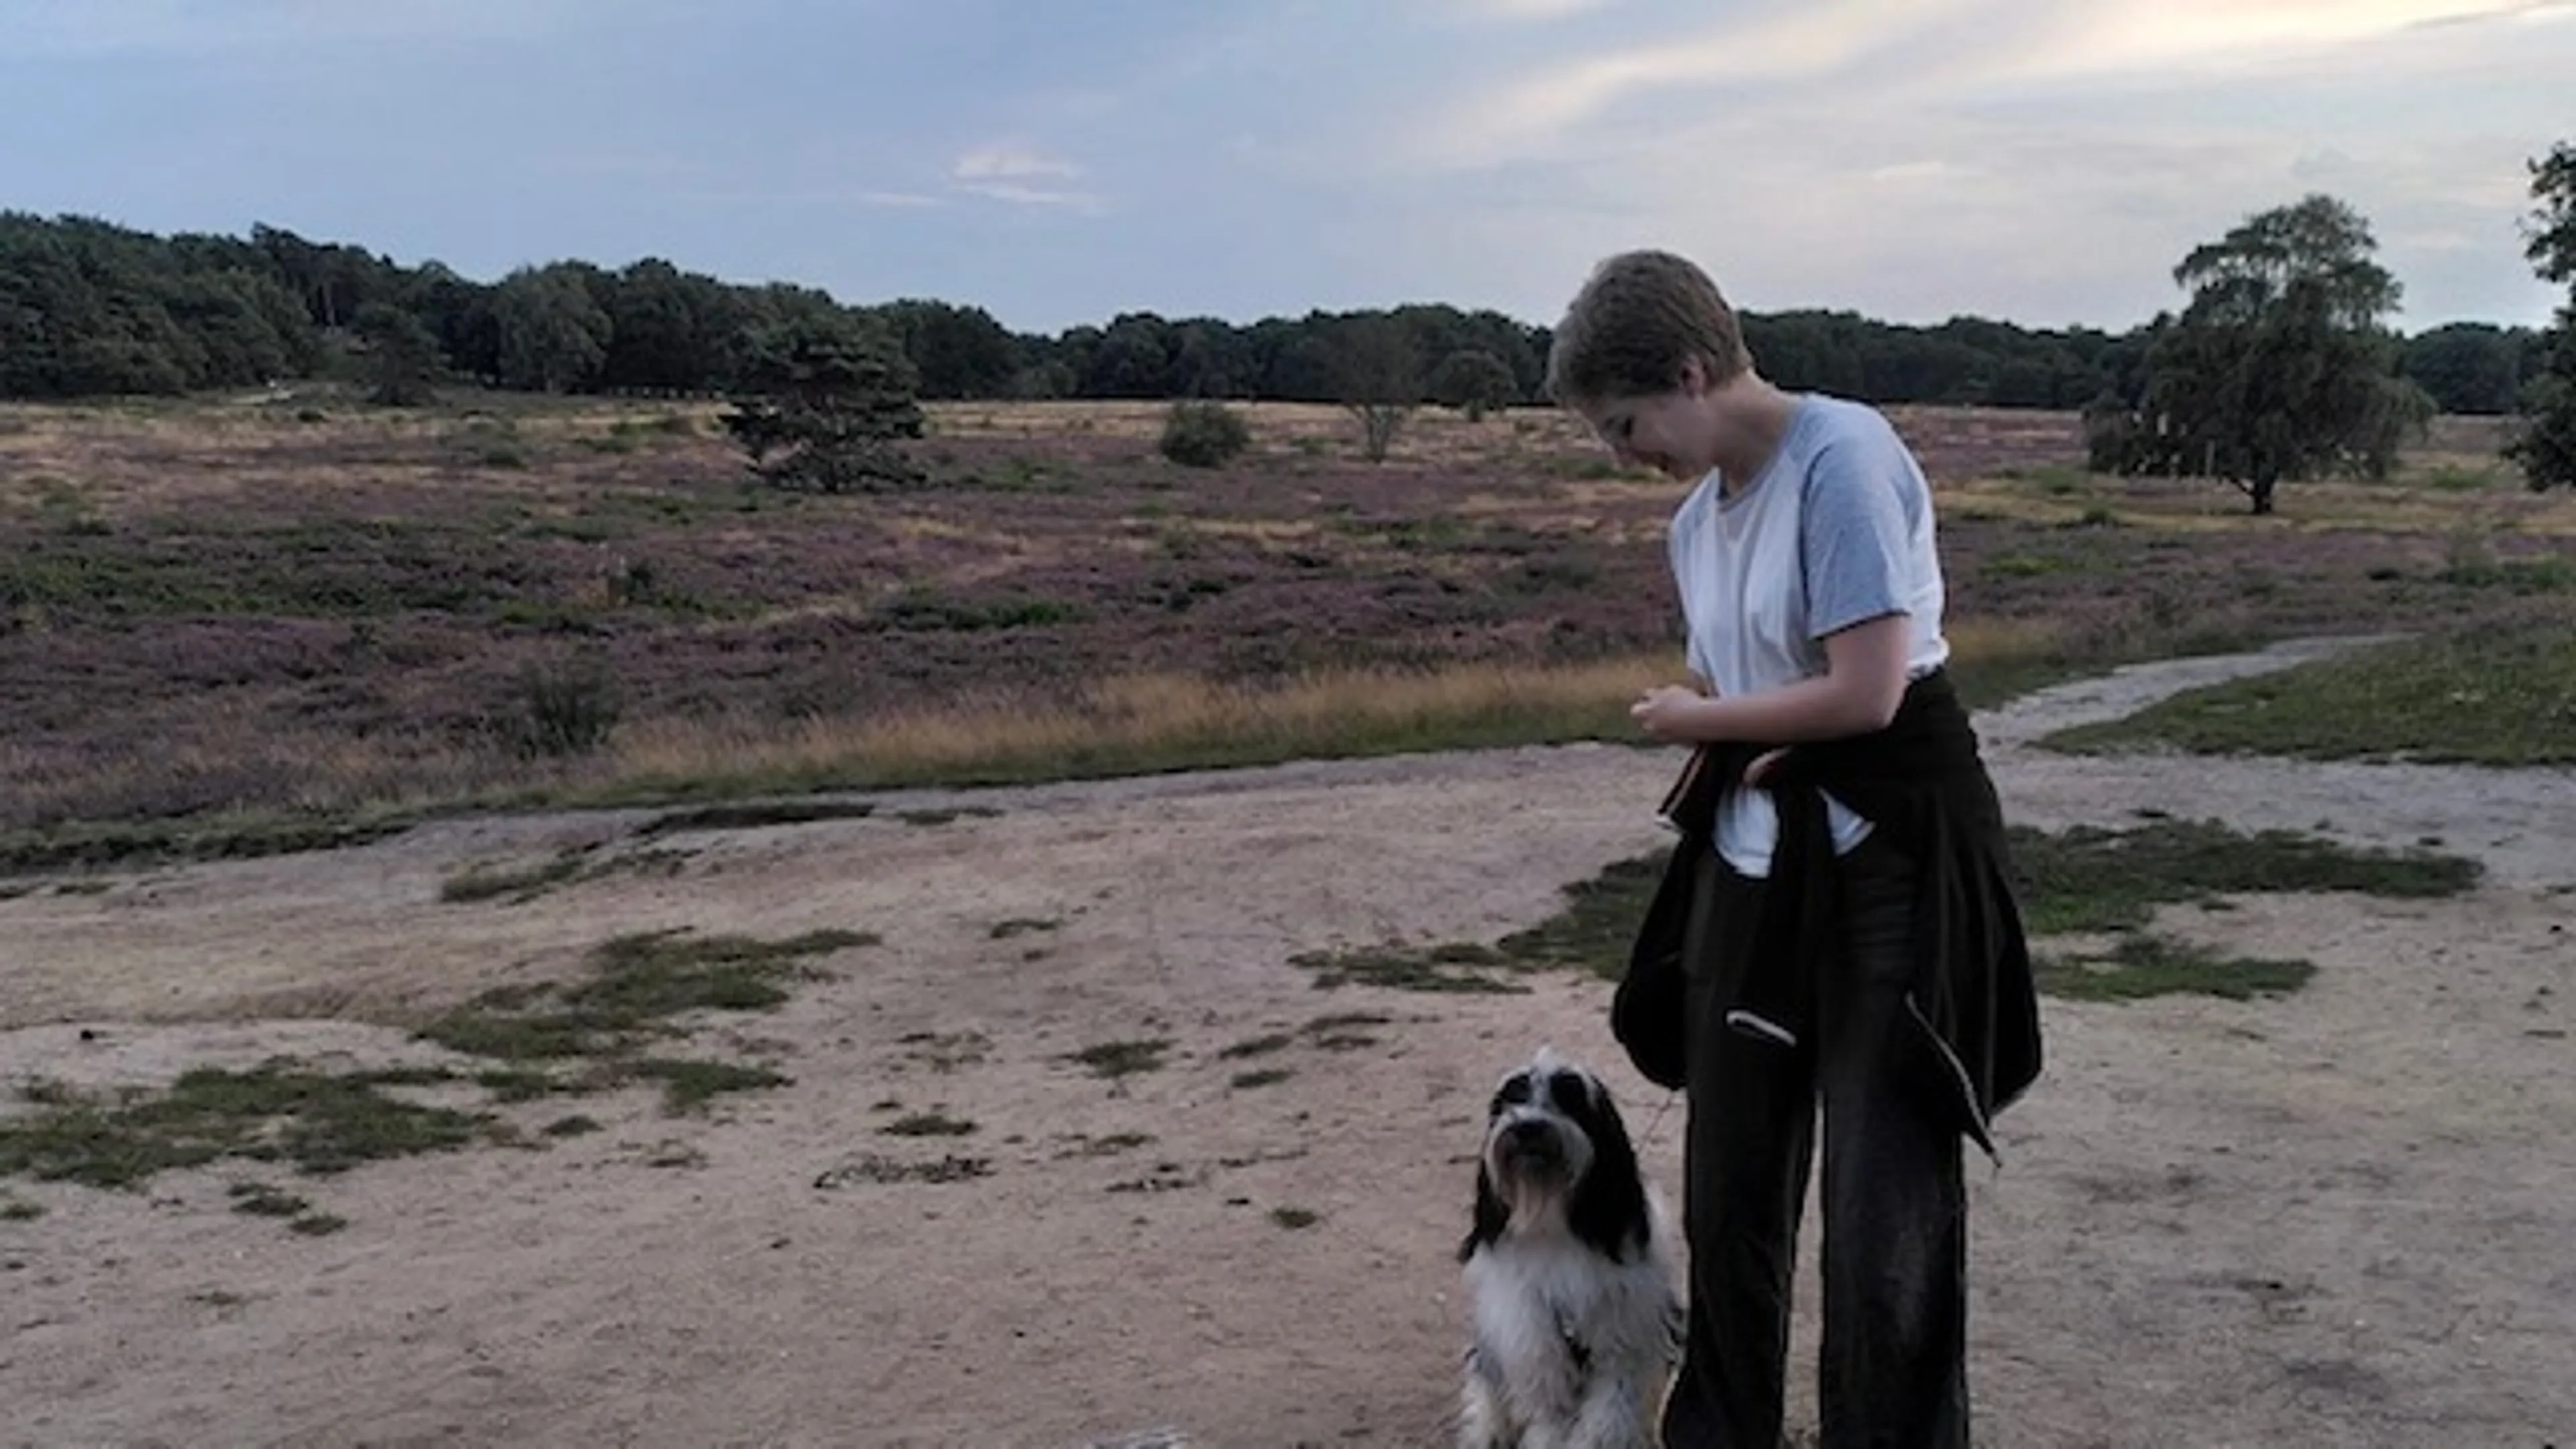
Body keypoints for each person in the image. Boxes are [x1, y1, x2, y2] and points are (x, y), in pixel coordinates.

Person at [1543, 249, 2043, 1448]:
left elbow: (1868, 693)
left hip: (1888, 870)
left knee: (1883, 1209)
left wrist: (1701, 722)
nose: (1623, 456)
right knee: (1731, 1185)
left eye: (1626, 426)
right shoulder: (1693, 528)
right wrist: (1729, 723)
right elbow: (1760, 690)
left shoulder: (1841, 459)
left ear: (1690, 372)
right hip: (1754, 874)